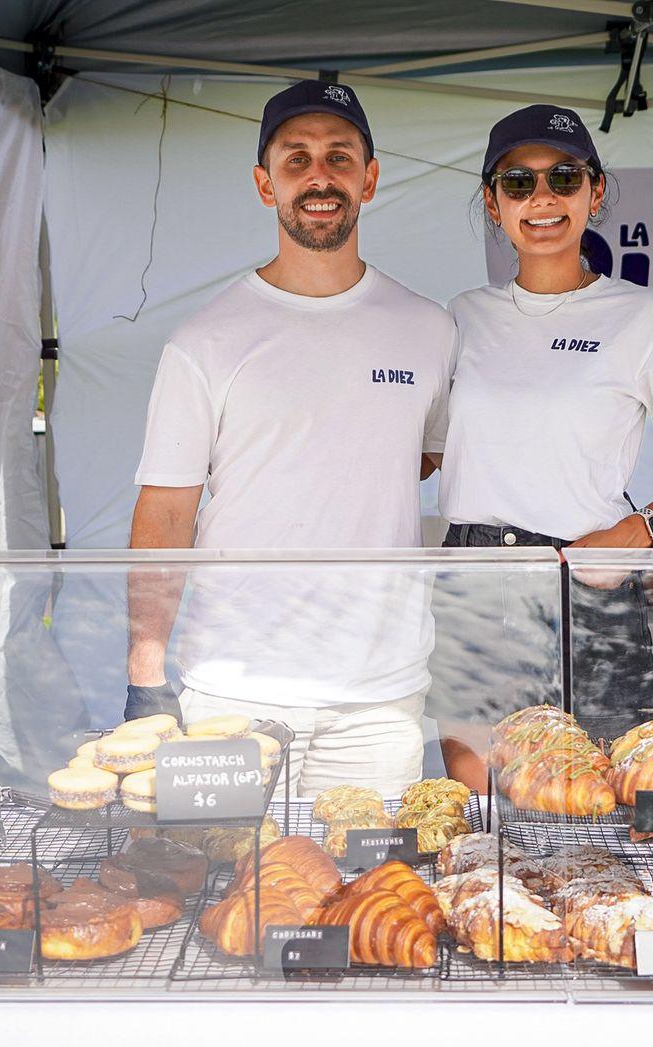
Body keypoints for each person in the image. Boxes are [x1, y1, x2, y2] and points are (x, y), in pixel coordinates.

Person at [124, 80, 457, 797]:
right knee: (226, 901)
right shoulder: (204, 341)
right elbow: (165, 515)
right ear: (263, 182)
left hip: (380, 697)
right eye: (296, 158)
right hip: (230, 693)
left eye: (340, 158)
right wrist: (146, 676)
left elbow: (424, 456)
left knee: (370, 898)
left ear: (369, 179)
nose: (319, 177)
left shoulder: (428, 329)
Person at [436, 104, 653, 788]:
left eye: (563, 178)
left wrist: (642, 530)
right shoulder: (460, 317)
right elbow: (419, 451)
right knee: (481, 800)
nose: (542, 198)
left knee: (612, 789)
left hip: (587, 574)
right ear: (493, 202)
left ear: (594, 193)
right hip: (478, 577)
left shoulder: (644, 317)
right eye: (518, 182)